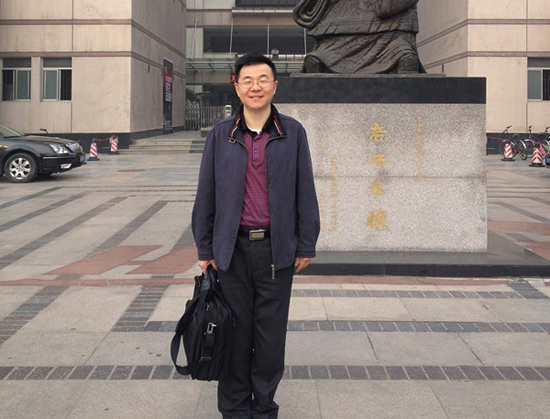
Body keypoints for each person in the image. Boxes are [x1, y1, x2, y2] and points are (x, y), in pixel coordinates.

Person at [192, 53, 320, 419]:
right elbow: (206, 194)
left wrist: (306, 242)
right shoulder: (221, 135)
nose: (256, 87)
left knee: (269, 339)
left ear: (275, 86)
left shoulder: (292, 133)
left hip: (276, 252)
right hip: (231, 251)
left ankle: (263, 409)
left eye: (263, 79)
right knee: (234, 334)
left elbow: (305, 190)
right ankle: (234, 409)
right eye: (248, 80)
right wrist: (205, 246)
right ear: (237, 87)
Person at [294, 0, 425, 74]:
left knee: (405, 56)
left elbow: (387, 9)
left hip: (390, 34)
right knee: (319, 58)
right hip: (343, 29)